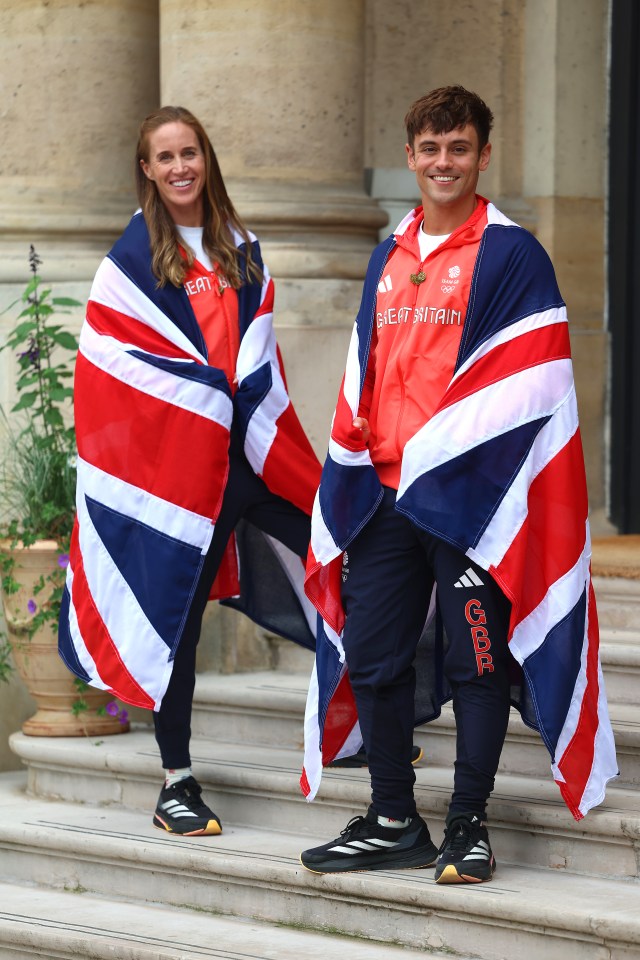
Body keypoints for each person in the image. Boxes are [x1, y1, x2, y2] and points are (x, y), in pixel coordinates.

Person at [299, 85, 617, 882]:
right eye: (430, 149)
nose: (444, 163)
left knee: (479, 664)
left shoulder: (513, 254)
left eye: (460, 148)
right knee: (372, 660)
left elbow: (534, 383)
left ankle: (468, 825)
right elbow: (367, 369)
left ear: (482, 154)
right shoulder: (388, 252)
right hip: (384, 496)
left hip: (473, 504)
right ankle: (392, 818)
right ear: (410, 156)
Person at [58, 106, 324, 837]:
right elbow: (111, 367)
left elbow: (258, 359)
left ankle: (364, 723)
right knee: (174, 616)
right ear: (146, 170)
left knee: (344, 560)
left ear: (206, 158)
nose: (180, 167)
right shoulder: (132, 260)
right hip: (184, 481)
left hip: (255, 461)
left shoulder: (243, 249)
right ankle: (176, 781)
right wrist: (201, 393)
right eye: (164, 157)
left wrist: (233, 399)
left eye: (190, 153)